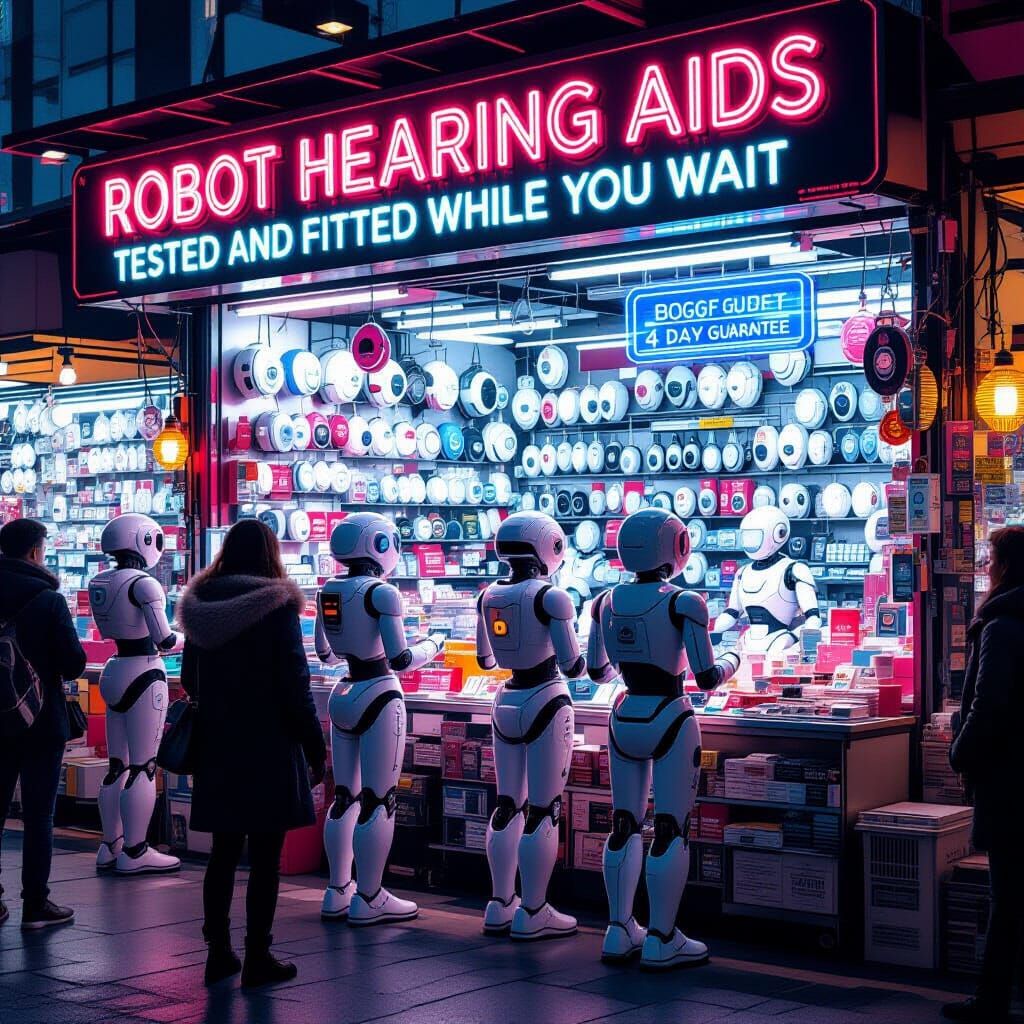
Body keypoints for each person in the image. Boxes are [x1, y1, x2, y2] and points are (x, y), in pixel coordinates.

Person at [177, 519, 326, 988]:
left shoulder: (201, 608)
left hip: (219, 743)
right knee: (265, 855)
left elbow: (187, 678)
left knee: (222, 852)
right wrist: (314, 746)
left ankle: (218, 951)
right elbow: (295, 687)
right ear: (270, 554)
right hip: (268, 744)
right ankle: (258, 954)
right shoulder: (276, 609)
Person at [588, 509, 738, 969]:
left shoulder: (605, 602)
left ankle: (618, 929)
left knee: (623, 823)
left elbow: (596, 670)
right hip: (670, 714)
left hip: (623, 712)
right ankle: (661, 935)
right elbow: (707, 675)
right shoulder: (684, 602)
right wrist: (733, 660)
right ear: (677, 547)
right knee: (671, 826)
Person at [315, 512, 444, 925]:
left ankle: (338, 889)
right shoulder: (383, 594)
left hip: (345, 691)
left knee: (344, 796)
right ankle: (370, 894)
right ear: (380, 545)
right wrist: (435, 644)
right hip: (379, 692)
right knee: (378, 799)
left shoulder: (328, 591)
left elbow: (325, 653)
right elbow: (401, 658)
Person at [476, 511, 585, 941]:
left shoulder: (489, 594)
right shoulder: (552, 597)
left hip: (506, 700)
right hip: (545, 697)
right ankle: (534, 908)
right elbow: (573, 663)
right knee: (544, 809)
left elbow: (486, 660)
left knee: (508, 804)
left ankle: (500, 903)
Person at [945, 525, 1024, 1023]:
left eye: (992, 559)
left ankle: (992, 1001)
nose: (987, 568)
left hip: (1009, 780)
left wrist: (959, 753)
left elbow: (986, 704)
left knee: (1007, 895)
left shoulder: (1002, 623)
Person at [0, 518, 86, 929]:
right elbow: (73, 662)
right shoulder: (49, 600)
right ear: (35, 551)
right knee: (38, 816)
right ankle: (36, 902)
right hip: (40, 719)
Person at [90, 513, 181, 875]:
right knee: (143, 765)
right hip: (144, 670)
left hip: (114, 669)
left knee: (117, 765)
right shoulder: (145, 584)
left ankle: (110, 845)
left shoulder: (102, 580)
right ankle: (136, 849)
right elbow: (165, 639)